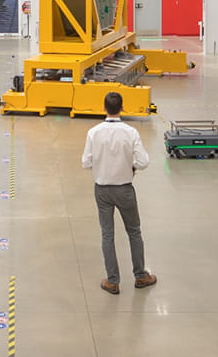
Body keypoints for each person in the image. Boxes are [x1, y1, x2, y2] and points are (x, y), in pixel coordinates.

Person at [81, 91, 155, 294]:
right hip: (124, 189)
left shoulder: (93, 132)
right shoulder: (130, 132)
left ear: (104, 108)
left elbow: (86, 162)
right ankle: (140, 276)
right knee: (134, 232)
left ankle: (113, 281)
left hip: (102, 190)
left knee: (107, 234)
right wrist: (129, 165)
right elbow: (144, 162)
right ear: (122, 108)